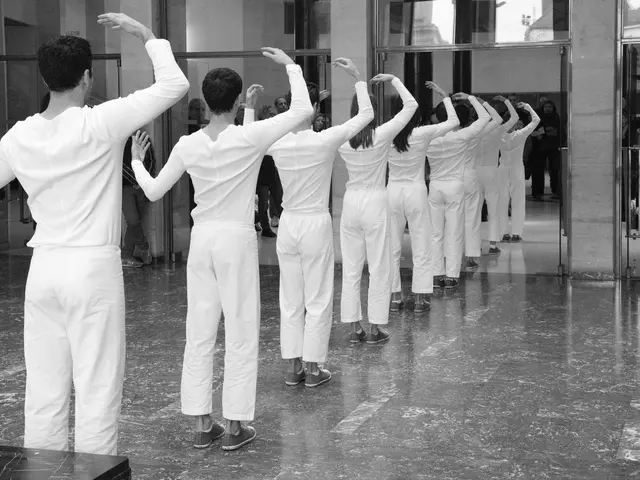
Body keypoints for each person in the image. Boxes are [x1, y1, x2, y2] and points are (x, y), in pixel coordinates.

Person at [0, 13, 189, 455]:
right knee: (97, 386)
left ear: (45, 79)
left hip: (43, 268)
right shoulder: (101, 122)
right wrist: (145, 34)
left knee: (44, 389)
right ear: (86, 77)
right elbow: (174, 85)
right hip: (91, 268)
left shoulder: (18, 137)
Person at [130, 47, 314, 451]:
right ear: (235, 101)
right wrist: (290, 65)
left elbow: (155, 190)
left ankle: (201, 424)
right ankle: (234, 427)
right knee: (242, 330)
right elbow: (302, 110)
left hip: (202, 241)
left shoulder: (187, 144)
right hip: (235, 240)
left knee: (199, 330)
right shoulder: (249, 136)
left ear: (206, 100)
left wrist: (139, 161)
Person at [245, 58, 372, 387]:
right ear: (314, 108)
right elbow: (367, 116)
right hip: (315, 224)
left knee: (291, 299)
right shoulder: (325, 139)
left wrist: (248, 108)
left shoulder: (279, 143)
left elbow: (249, 139)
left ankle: (293, 368)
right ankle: (314, 369)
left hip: (288, 224)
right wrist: (358, 79)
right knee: (318, 298)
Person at [338, 73, 418, 344]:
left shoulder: (341, 139)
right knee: (379, 266)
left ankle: (353, 328)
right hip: (375, 202)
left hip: (350, 203)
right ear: (373, 113)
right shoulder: (382, 135)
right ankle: (375, 328)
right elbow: (411, 106)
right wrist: (395, 79)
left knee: (351, 268)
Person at [387, 81, 459, 313]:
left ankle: (395, 296)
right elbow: (454, 122)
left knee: (392, 247)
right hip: (416, 192)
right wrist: (445, 96)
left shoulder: (386, 133)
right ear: (416, 116)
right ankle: (419, 299)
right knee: (421, 246)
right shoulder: (422, 133)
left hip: (393, 193)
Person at [426, 93, 491, 289]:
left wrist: (444, 98)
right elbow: (486, 118)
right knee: (454, 231)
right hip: (454, 186)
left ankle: (436, 274)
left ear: (437, 118)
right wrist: (471, 98)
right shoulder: (461, 136)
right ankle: (452, 276)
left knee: (436, 233)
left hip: (435, 186)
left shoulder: (428, 137)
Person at [475, 96, 518, 255]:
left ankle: (475, 245)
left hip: (475, 172)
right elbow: (515, 118)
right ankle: (493, 245)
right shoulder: (497, 129)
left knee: (474, 211)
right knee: (493, 209)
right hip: (492, 171)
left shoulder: (473, 130)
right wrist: (505, 101)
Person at [498, 103, 540, 242]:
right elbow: (536, 120)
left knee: (502, 202)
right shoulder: (521, 134)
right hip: (517, 169)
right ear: (516, 124)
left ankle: (504, 233)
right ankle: (516, 234)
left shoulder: (497, 136)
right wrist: (528, 107)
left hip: (502, 170)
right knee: (518, 202)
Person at [121, 135, 156, 267]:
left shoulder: (142, 138)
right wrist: (138, 180)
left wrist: (145, 180)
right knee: (132, 220)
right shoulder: (118, 141)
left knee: (134, 223)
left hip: (142, 186)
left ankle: (127, 254)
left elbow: (152, 160)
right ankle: (144, 247)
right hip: (125, 188)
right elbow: (120, 167)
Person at [530, 100, 562, 200]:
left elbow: (560, 132)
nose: (548, 109)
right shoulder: (538, 119)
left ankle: (556, 191)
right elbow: (534, 131)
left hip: (553, 147)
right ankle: (537, 193)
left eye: (550, 107)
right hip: (540, 147)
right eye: (546, 107)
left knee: (555, 171)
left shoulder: (557, 118)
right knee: (538, 171)